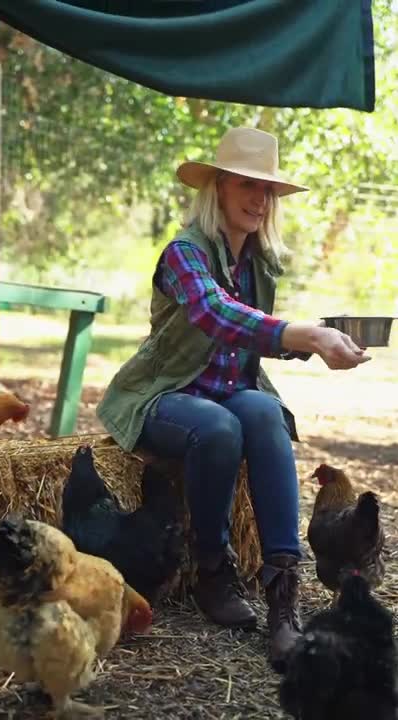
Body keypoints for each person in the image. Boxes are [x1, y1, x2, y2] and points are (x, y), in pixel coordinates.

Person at [97, 127, 370, 669]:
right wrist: (301, 334)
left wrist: (319, 339)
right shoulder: (183, 253)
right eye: (247, 184)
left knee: (266, 411)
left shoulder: (257, 261)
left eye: (267, 191)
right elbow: (214, 315)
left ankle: (282, 592)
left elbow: (252, 334)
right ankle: (212, 568)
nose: (259, 199)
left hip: (229, 392)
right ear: (217, 188)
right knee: (217, 428)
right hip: (165, 395)